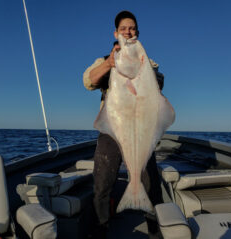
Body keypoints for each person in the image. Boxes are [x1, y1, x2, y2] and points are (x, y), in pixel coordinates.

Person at [83, 11, 164, 239]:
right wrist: (110, 63)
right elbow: (89, 81)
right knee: (102, 184)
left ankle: (155, 231)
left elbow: (158, 83)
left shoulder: (147, 61)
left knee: (151, 184)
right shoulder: (104, 60)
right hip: (113, 130)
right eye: (124, 28)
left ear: (137, 33)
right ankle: (100, 230)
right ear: (116, 33)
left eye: (132, 28)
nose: (128, 32)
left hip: (141, 129)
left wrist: (144, 68)